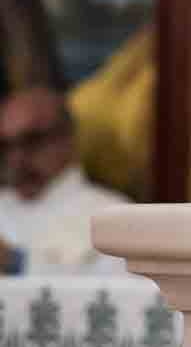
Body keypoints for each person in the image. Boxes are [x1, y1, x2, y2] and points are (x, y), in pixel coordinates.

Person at [0, 86, 126, 272]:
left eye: (32, 140)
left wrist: (17, 263)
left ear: (67, 138)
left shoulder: (114, 216)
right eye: (6, 145)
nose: (17, 158)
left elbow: (123, 293)